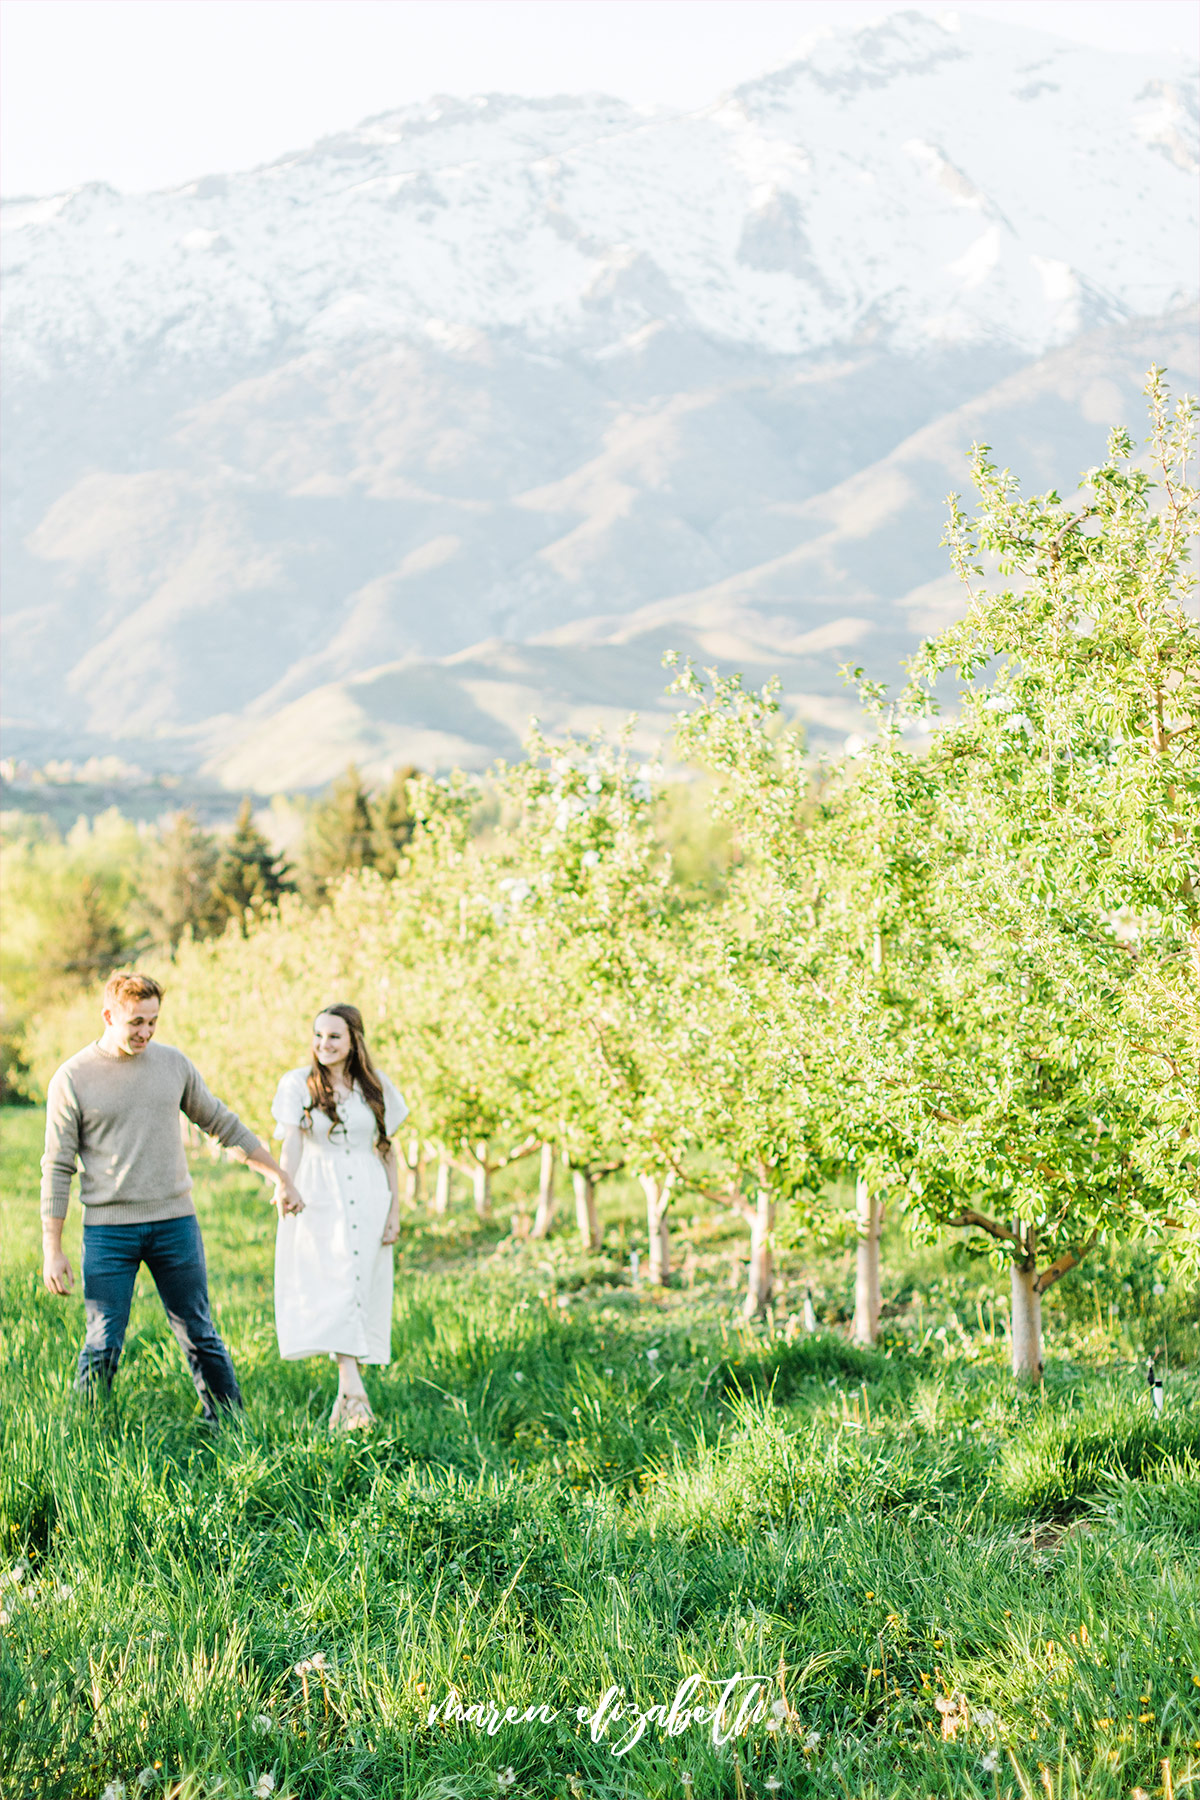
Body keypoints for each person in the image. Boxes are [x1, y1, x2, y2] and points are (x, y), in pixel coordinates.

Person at [41, 970, 304, 1422]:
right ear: (108, 1015)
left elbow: (222, 1124)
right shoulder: (72, 1078)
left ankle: (228, 1424)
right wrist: (53, 1248)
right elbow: (58, 1165)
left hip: (174, 1223)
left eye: (153, 1022)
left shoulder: (173, 1065)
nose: (145, 1032)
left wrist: (278, 1174)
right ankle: (87, 1430)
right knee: (103, 1340)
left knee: (199, 1331)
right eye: (135, 1022)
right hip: (108, 1231)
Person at [271, 1003, 407, 1431]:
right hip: (319, 1194)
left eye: (334, 1037)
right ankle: (354, 1391)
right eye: (318, 1035)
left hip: (367, 1194)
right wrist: (284, 1183)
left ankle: (349, 1396)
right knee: (330, 1285)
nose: (323, 1044)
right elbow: (291, 1141)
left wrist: (394, 1210)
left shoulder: (376, 1087)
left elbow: (387, 1151)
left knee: (359, 1285)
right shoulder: (298, 1084)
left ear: (353, 1042)